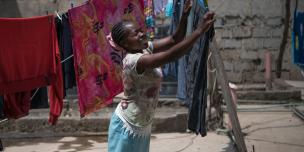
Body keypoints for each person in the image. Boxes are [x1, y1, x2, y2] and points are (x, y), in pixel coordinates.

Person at [107, 0, 215, 151]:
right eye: (135, 34)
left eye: (140, 30)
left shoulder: (144, 48)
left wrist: (184, 16)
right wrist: (199, 31)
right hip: (126, 126)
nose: (142, 34)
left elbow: (174, 40)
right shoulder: (135, 60)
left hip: (142, 124)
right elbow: (172, 54)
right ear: (125, 44)